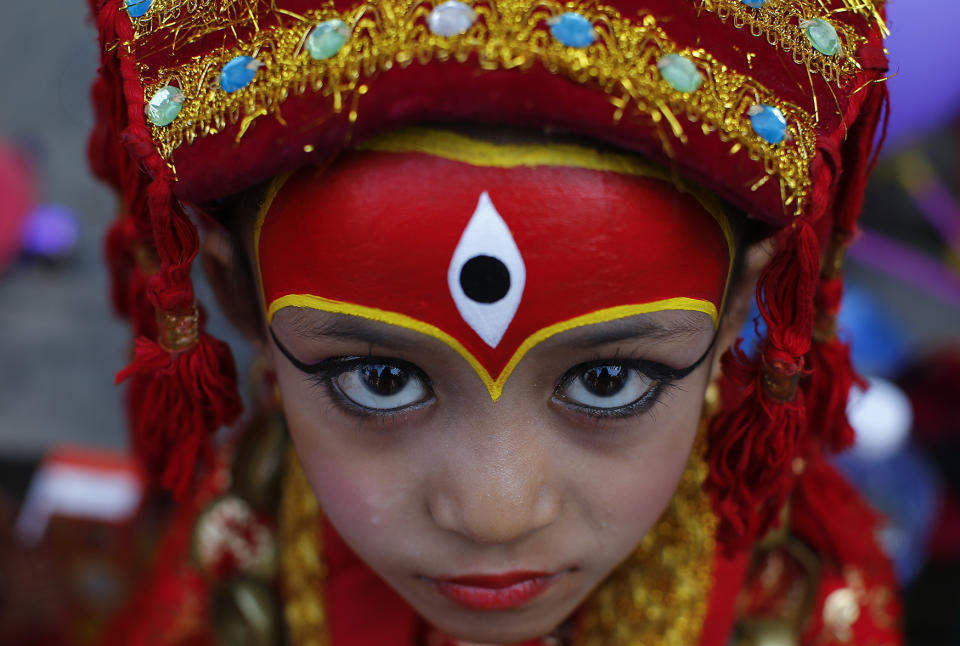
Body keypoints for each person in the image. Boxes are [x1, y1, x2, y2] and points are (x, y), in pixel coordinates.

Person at [87, 0, 899, 644]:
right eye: (381, 377)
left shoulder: (797, 601)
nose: (494, 511)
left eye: (607, 379)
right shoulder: (236, 556)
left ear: (734, 315)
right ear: (239, 302)